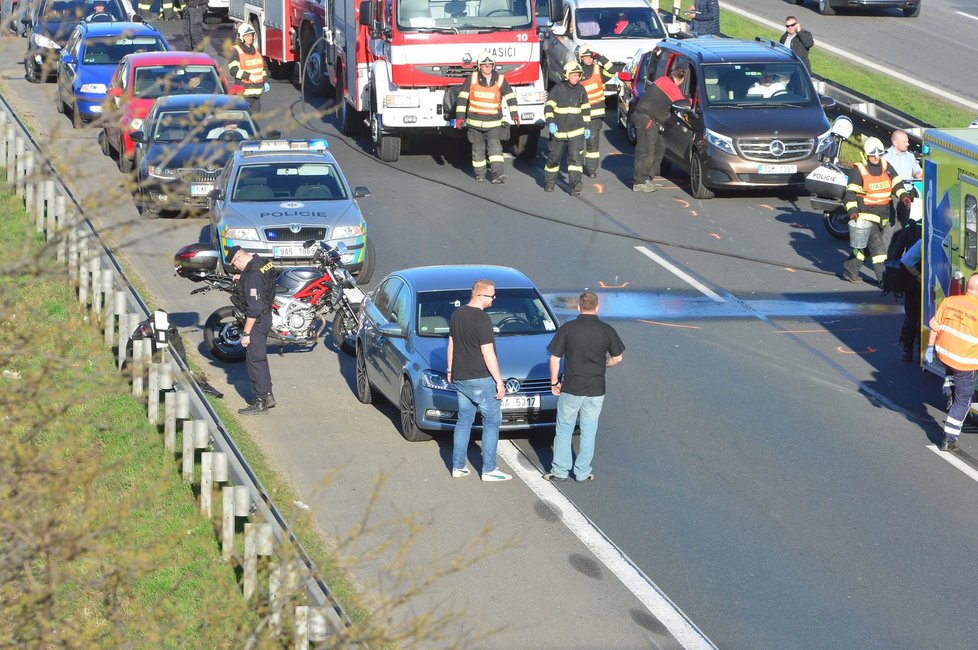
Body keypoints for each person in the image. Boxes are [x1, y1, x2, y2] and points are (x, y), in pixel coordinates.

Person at [544, 290, 624, 484]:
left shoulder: (568, 329)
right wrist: (602, 364)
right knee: (589, 430)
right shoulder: (606, 330)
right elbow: (617, 358)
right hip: (596, 388)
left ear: (578, 306)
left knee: (564, 429)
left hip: (572, 387)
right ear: (597, 307)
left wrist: (554, 382)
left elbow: (554, 357)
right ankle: (582, 472)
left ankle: (560, 471)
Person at [447, 279, 511, 481]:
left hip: (460, 377)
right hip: (481, 378)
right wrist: (499, 382)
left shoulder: (457, 314)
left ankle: (458, 466)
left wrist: (450, 369)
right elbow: (488, 353)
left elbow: (451, 343)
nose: (494, 299)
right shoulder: (483, 320)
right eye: (492, 296)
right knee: (492, 423)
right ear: (480, 296)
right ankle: (489, 469)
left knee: (464, 421)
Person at [841, 136, 911, 283]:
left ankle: (850, 270)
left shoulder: (886, 166)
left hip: (882, 216)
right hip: (865, 216)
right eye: (873, 155)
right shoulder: (858, 170)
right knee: (878, 249)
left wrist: (904, 196)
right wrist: (853, 212)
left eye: (879, 154)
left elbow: (896, 183)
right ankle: (885, 282)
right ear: (866, 154)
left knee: (865, 248)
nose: (876, 157)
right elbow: (849, 195)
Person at [925, 273, 978, 452]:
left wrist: (930, 347)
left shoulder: (950, 301)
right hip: (965, 363)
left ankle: (948, 388)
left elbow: (935, 326)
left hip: (944, 354)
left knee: (951, 372)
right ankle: (950, 438)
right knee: (964, 400)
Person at [453, 50, 518, 184]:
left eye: (489, 64)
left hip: (493, 123)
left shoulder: (500, 80)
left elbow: (511, 97)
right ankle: (480, 174)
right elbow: (462, 99)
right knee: (478, 150)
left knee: (495, 149)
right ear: (479, 66)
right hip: (475, 123)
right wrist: (459, 117)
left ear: (493, 65)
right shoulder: (471, 79)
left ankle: (497, 174)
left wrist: (514, 114)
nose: (487, 67)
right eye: (484, 65)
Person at [226, 245, 277, 415]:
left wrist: (246, 333)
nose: (234, 267)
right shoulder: (262, 263)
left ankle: (260, 401)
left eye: (234, 264)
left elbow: (253, 309)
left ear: (239, 258)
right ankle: (268, 394)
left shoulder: (253, 275)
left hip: (257, 321)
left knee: (255, 361)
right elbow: (261, 283)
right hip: (267, 316)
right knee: (260, 359)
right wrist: (243, 278)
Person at [630, 63, 689, 193]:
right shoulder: (671, 87)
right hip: (647, 119)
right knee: (646, 151)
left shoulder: (663, 80)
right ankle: (639, 182)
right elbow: (683, 104)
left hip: (647, 118)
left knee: (659, 147)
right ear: (682, 79)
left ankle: (647, 178)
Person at [543, 61, 590, 196]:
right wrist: (551, 122)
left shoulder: (581, 90)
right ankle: (549, 183)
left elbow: (585, 109)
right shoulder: (557, 90)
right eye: (573, 75)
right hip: (559, 133)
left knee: (575, 160)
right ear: (567, 75)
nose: (576, 78)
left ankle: (575, 185)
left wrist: (586, 126)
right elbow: (548, 108)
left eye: (578, 75)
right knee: (554, 159)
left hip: (577, 132)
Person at [577, 47, 614, 178]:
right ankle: (577, 165)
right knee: (578, 141)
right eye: (586, 57)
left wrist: (600, 57)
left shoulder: (598, 69)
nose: (589, 59)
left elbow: (612, 70)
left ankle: (591, 169)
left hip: (595, 112)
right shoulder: (576, 71)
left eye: (591, 57)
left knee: (592, 141)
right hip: (579, 113)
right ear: (581, 58)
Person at [228, 23, 269, 115]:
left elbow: (263, 68)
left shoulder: (256, 50)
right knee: (244, 120)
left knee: (254, 120)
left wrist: (266, 81)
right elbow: (233, 70)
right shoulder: (236, 51)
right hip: (243, 94)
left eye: (251, 35)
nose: (250, 38)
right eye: (247, 36)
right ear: (241, 37)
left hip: (256, 94)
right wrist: (248, 76)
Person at [884, 129, 922, 227]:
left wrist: (919, 174)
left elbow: (916, 172)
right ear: (895, 143)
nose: (908, 144)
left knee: (903, 226)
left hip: (907, 195)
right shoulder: (885, 157)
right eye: (905, 142)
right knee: (890, 226)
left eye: (907, 141)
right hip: (892, 196)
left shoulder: (910, 156)